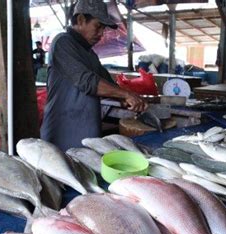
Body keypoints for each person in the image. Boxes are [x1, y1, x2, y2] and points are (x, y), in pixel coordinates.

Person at [41, 0, 147, 151]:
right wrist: (126, 94)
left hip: (86, 138)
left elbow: (106, 83)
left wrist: (122, 98)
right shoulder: (62, 42)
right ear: (80, 20)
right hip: (61, 135)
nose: (101, 34)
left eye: (103, 29)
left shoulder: (90, 54)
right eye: (98, 26)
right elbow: (87, 81)